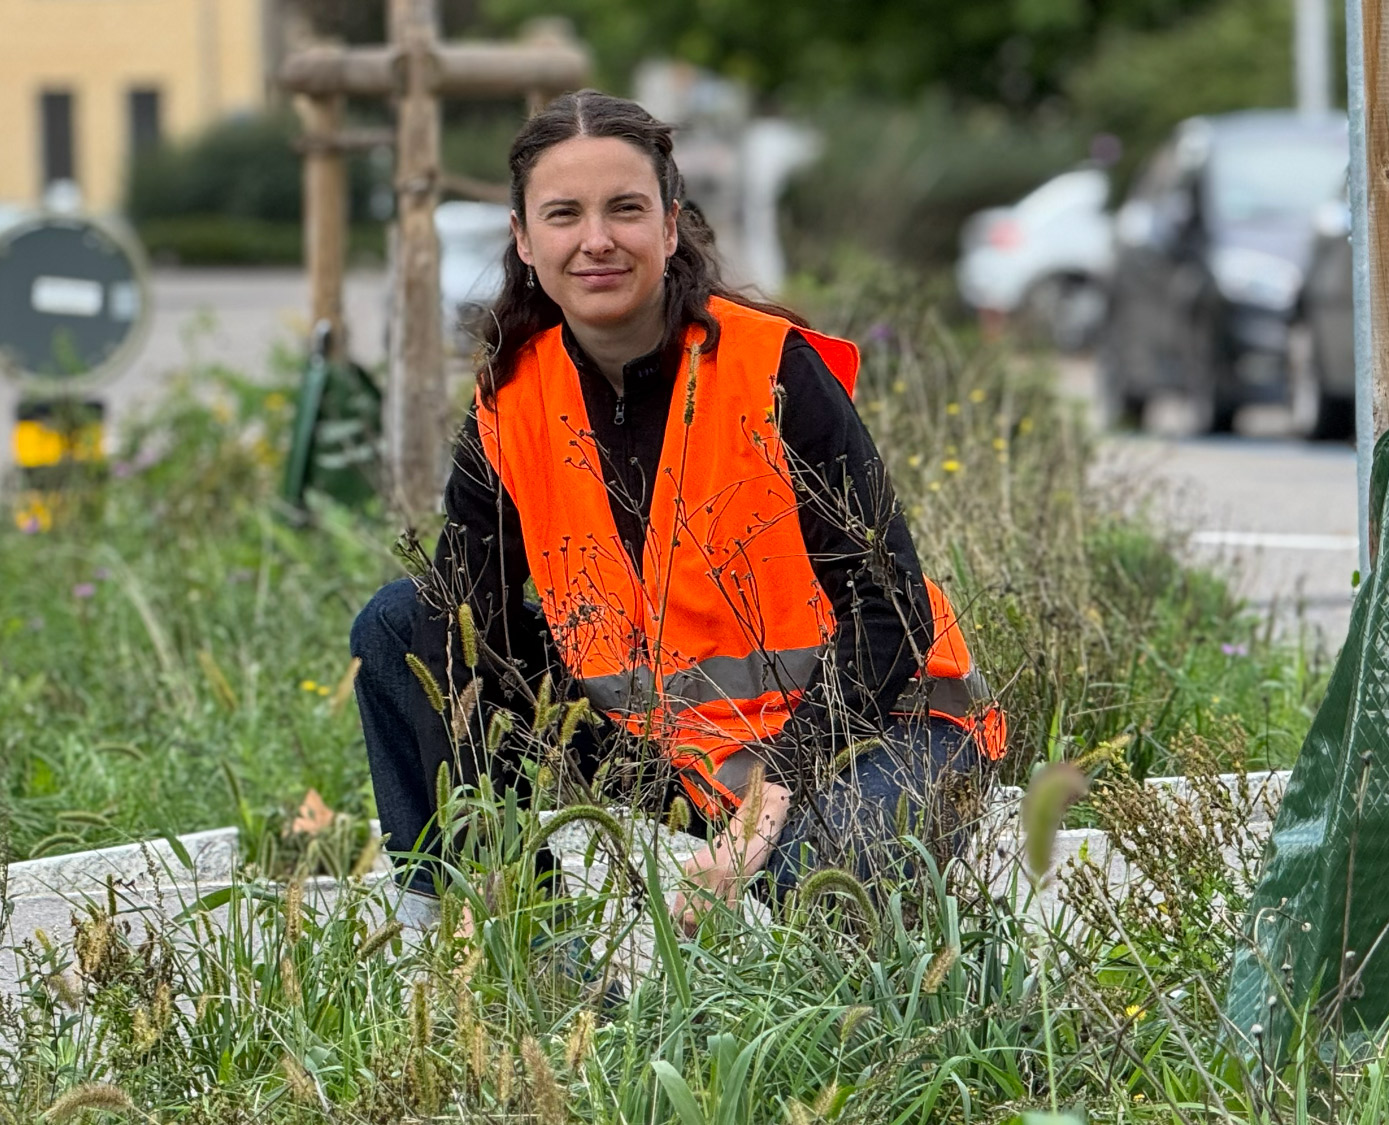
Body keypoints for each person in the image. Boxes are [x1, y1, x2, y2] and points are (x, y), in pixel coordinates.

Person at [350, 90, 1005, 929]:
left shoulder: (771, 369)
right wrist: (492, 880)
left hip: (882, 726)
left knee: (818, 877)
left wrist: (767, 805)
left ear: (669, 227)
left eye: (625, 209)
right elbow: (461, 628)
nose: (596, 239)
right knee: (401, 625)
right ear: (524, 238)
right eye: (564, 214)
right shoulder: (513, 400)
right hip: (680, 752)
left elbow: (890, 609)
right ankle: (512, 955)